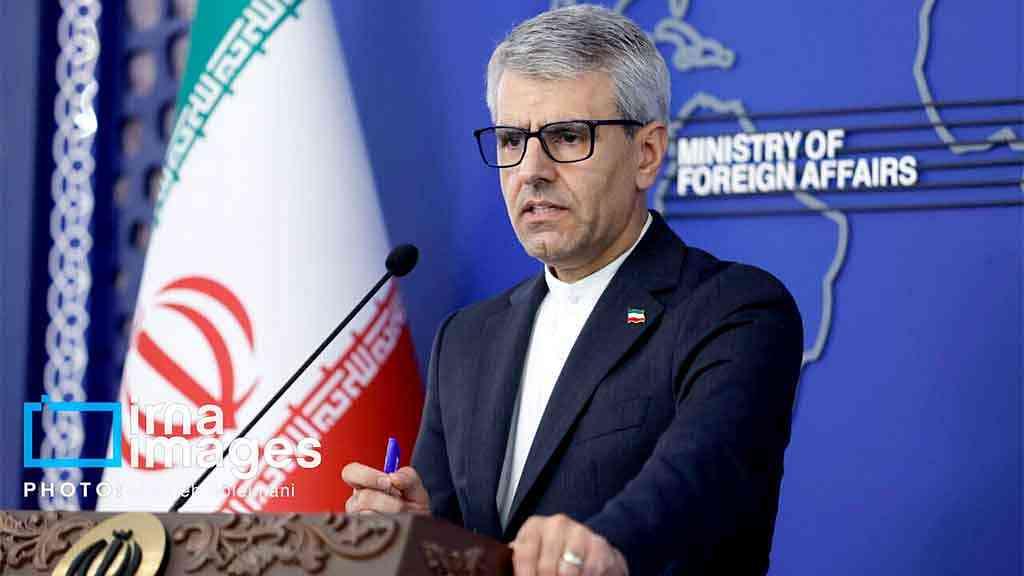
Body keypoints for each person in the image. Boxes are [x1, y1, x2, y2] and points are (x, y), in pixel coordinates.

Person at [342, 5, 803, 575]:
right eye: (511, 139)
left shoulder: (733, 311)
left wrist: (603, 544)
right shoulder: (465, 339)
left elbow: (700, 477)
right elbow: (456, 545)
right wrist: (418, 535)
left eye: (566, 136)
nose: (531, 169)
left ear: (647, 153)